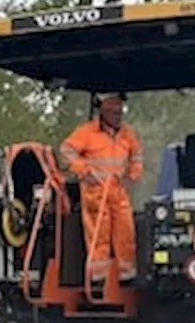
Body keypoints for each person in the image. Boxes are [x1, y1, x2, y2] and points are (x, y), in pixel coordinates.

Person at [58, 92, 144, 284]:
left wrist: (132, 175)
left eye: (119, 111)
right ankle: (99, 275)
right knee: (99, 233)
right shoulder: (87, 132)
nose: (118, 115)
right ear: (103, 111)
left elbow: (137, 155)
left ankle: (126, 273)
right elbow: (66, 150)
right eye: (113, 111)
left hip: (118, 191)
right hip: (95, 192)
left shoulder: (127, 134)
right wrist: (84, 171)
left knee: (126, 231)